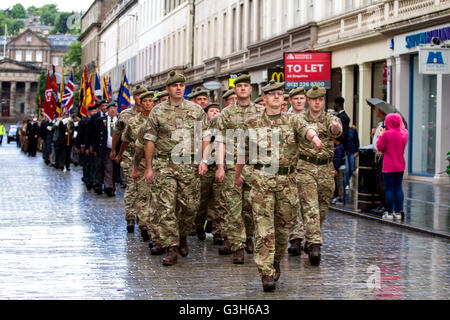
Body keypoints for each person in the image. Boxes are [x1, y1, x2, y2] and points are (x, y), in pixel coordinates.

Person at [233, 80, 323, 292]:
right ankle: (265, 273)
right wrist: (238, 175)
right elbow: (242, 152)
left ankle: (274, 262)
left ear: (283, 99)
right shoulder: (252, 123)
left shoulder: (293, 120)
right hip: (261, 181)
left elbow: (307, 130)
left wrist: (315, 139)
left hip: (287, 183)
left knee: (283, 230)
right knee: (264, 230)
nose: (276, 96)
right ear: (263, 99)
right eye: (271, 94)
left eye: (279, 94)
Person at [136, 70, 209, 266]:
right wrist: (149, 167)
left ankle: (183, 234)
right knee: (166, 207)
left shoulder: (195, 111)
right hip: (164, 165)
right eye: (174, 85)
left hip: (189, 165)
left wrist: (204, 160)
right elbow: (149, 140)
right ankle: (171, 247)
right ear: (167, 89)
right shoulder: (157, 112)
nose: (178, 88)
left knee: (190, 206)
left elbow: (205, 137)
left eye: (181, 85)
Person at [213, 73, 264, 264]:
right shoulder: (226, 113)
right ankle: (238, 247)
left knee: (251, 207)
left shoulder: (260, 111)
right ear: (235, 90)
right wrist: (220, 167)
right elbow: (220, 141)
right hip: (231, 164)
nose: (242, 88)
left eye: (246, 86)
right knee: (233, 208)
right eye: (239, 86)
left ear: (251, 89)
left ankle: (248, 236)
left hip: (254, 166)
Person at [297, 86, 342, 265]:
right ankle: (315, 244)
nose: (317, 102)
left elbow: (336, 131)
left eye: (321, 99)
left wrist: (336, 128)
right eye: (314, 99)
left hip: (325, 168)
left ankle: (310, 237)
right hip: (305, 167)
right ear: (309, 101)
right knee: (310, 207)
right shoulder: (300, 120)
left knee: (322, 207)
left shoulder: (330, 118)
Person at [118, 90, 154, 242]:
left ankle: (146, 221)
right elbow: (122, 138)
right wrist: (118, 153)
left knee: (152, 194)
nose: (146, 103)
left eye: (150, 101)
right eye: (143, 100)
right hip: (133, 158)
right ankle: (133, 217)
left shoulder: (157, 118)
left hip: (155, 161)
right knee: (135, 189)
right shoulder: (130, 119)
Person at [111, 87, 147, 232]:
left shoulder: (152, 114)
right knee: (132, 186)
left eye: (143, 96)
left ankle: (143, 216)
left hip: (146, 157)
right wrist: (114, 150)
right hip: (129, 155)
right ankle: (131, 216)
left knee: (145, 189)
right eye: (138, 95)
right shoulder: (126, 115)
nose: (140, 98)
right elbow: (117, 133)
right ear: (134, 98)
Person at [195, 103, 223, 243]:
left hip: (218, 167)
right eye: (212, 110)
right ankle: (199, 225)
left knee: (218, 200)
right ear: (206, 113)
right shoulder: (201, 127)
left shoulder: (222, 127)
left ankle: (217, 230)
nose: (215, 113)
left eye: (217, 110)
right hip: (204, 168)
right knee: (202, 199)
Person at [287, 86, 307, 255]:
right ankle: (296, 238)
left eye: (302, 98)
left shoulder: (312, 118)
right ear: (290, 101)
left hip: (311, 168)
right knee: (294, 203)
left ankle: (312, 237)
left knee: (311, 205)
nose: (299, 102)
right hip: (292, 167)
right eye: (296, 99)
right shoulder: (284, 118)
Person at [376, 113, 408, 220]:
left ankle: (389, 213)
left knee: (389, 189)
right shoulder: (403, 134)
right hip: (400, 164)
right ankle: (398, 212)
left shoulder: (387, 134)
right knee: (398, 188)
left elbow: (380, 147)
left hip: (389, 165)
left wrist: (381, 134)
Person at [93, 102, 118, 197]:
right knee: (108, 168)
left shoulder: (120, 120)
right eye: (110, 108)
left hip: (118, 149)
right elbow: (95, 135)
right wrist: (94, 147)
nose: (112, 110)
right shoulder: (101, 120)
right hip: (105, 148)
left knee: (116, 169)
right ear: (107, 110)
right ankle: (108, 187)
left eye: (114, 108)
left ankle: (113, 185)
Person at [344, 124, 360, 199]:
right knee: (347, 169)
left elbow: (356, 140)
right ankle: (347, 183)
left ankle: (347, 182)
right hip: (346, 152)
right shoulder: (345, 130)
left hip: (352, 152)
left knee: (351, 169)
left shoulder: (353, 131)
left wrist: (357, 151)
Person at [332, 138, 346, 205]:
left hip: (340, 168)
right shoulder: (339, 147)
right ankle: (339, 197)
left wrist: (336, 169)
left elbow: (338, 159)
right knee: (339, 183)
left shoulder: (338, 148)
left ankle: (341, 198)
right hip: (340, 168)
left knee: (340, 183)